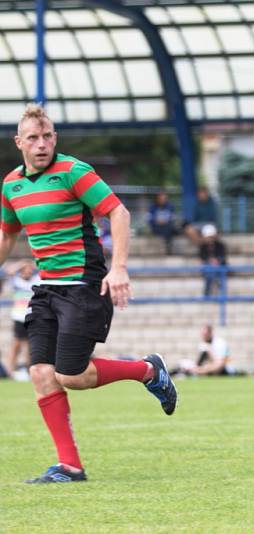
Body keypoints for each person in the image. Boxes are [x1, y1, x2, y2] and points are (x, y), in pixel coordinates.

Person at [1, 104, 177, 483]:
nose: (42, 144)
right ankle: (69, 466)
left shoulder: (74, 172)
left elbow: (119, 213)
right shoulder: (11, 184)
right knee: (40, 373)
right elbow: (8, 234)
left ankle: (148, 370)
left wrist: (119, 268)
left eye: (47, 136)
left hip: (84, 284)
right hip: (46, 289)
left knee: (71, 376)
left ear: (55, 138)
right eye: (33, 138)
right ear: (19, 143)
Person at [4, 260, 40, 381]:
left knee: (28, 344)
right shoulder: (16, 281)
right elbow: (8, 271)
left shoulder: (36, 280)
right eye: (25, 270)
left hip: (31, 316)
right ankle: (10, 370)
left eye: (29, 270)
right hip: (19, 317)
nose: (28, 272)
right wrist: (22, 264)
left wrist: (31, 264)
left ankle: (28, 369)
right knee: (17, 344)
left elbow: (43, 270)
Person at [198, 224, 227, 297]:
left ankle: (209, 294)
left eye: (211, 237)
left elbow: (223, 257)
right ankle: (210, 294)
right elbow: (202, 259)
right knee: (210, 272)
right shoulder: (203, 246)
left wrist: (217, 261)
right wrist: (210, 261)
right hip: (208, 267)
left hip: (219, 267)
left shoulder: (220, 245)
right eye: (208, 237)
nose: (209, 239)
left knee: (213, 273)